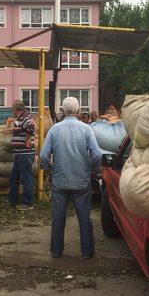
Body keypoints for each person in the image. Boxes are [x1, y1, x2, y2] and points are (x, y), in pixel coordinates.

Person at [40, 97, 102, 259]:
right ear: (79, 111)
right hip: (82, 181)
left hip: (60, 181)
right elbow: (96, 155)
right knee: (84, 218)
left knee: (58, 218)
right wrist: (94, 171)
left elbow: (43, 156)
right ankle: (86, 252)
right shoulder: (87, 129)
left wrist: (51, 171)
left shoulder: (54, 130)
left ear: (62, 111)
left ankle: (56, 251)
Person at [9, 100, 36, 211]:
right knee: (14, 178)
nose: (12, 112)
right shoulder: (20, 118)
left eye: (12, 109)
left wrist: (27, 140)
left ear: (16, 110)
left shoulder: (26, 118)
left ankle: (28, 203)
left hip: (25, 153)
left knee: (26, 178)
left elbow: (31, 128)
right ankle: (12, 199)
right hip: (20, 154)